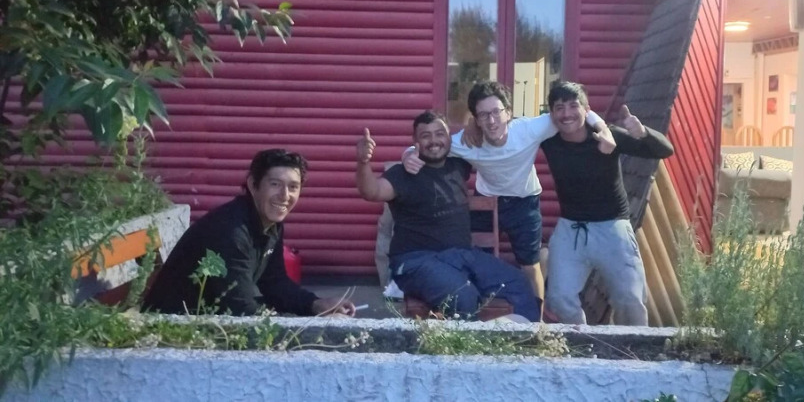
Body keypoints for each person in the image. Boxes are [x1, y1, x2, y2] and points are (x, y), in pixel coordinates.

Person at [403, 81, 615, 301]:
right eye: (484, 115)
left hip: (524, 201)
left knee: (530, 265)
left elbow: (578, 113)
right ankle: (479, 314)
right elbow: (423, 147)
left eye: (497, 112)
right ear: (476, 119)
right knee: (476, 259)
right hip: (487, 198)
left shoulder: (529, 129)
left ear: (509, 113)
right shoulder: (467, 142)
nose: (492, 121)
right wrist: (408, 156)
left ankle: (536, 319)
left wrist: (603, 129)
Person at [357, 110, 540, 321]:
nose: (434, 141)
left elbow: (491, 137)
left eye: (439, 134)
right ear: (415, 141)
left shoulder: (459, 165)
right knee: (463, 297)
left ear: (449, 138)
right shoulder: (402, 173)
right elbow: (372, 191)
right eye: (426, 136)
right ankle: (467, 343)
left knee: (518, 283)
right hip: (417, 261)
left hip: (462, 255)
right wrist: (363, 162)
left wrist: (473, 124)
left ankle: (528, 338)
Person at [143, 149, 356, 317]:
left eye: (293, 187)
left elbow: (274, 283)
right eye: (275, 184)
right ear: (253, 185)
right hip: (173, 330)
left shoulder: (270, 223)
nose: (284, 195)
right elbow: (242, 308)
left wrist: (316, 305)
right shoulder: (230, 231)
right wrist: (308, 328)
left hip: (212, 323)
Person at [540, 82, 674, 325]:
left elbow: (665, 150)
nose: (567, 113)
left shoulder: (608, 135)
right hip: (571, 229)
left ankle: (632, 346)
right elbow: (509, 131)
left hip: (612, 227)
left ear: (586, 109)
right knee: (558, 299)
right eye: (559, 108)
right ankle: (581, 342)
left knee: (630, 299)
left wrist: (642, 132)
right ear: (552, 114)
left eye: (573, 106)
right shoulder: (549, 140)